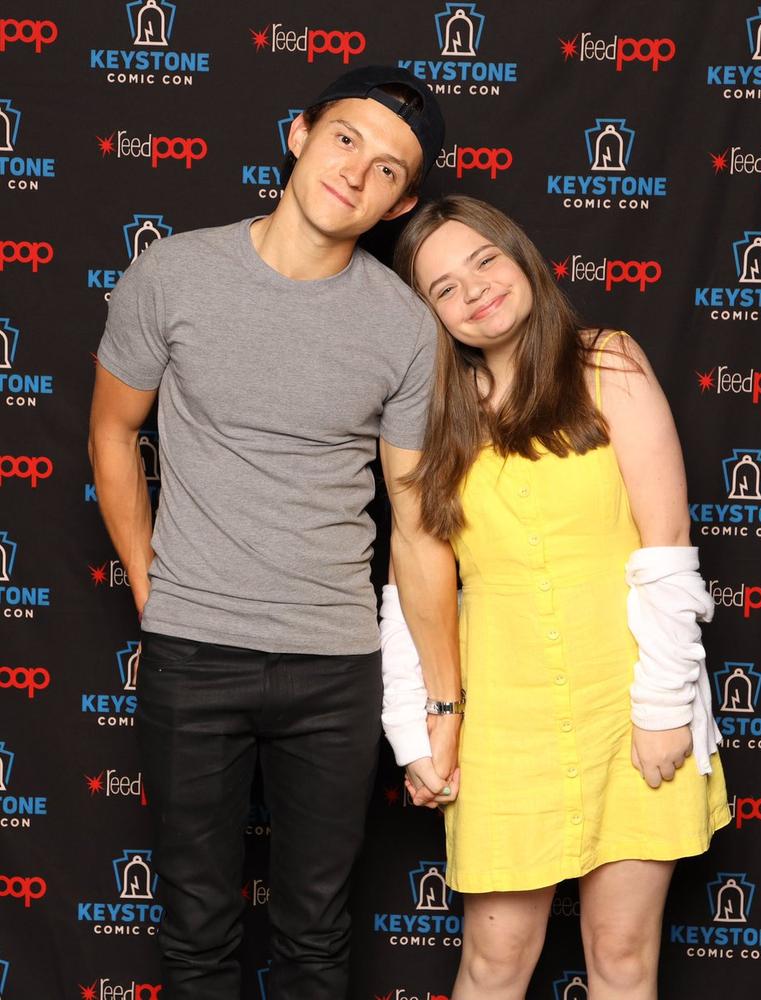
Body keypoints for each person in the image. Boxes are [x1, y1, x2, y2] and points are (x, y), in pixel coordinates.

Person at [88, 67, 463, 1000]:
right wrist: (153, 590)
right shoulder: (172, 272)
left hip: (334, 669)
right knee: (196, 935)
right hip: (194, 653)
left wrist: (444, 705)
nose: (357, 171)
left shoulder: (406, 328)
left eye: (387, 169)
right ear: (299, 136)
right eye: (345, 139)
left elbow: (418, 528)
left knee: (316, 940)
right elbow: (112, 432)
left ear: (398, 204)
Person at [380, 195, 731, 1000]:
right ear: (429, 314)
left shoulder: (607, 361)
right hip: (501, 723)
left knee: (621, 956)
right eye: (443, 287)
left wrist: (662, 706)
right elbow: (415, 578)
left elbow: (667, 545)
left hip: (627, 700)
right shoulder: (425, 412)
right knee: (495, 962)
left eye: (484, 260)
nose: (474, 290)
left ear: (521, 257)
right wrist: (413, 728)